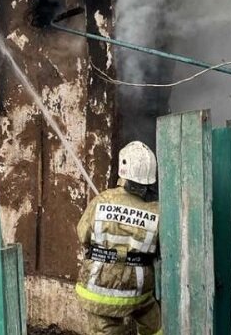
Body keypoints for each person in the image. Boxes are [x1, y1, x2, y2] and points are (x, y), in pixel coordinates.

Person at [75, 141, 162, 335]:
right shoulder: (157, 211)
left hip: (99, 287)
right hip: (138, 291)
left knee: (105, 330)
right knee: (154, 326)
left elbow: (83, 235)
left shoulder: (102, 200)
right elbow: (160, 249)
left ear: (123, 170)